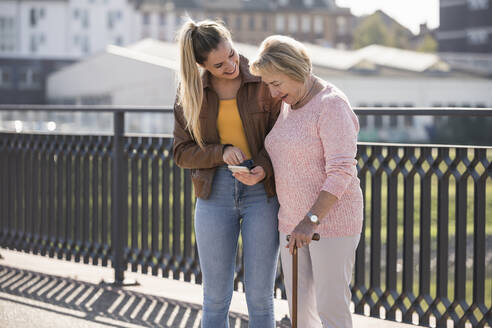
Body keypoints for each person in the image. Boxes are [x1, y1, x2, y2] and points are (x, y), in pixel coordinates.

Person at [172, 19, 281, 328]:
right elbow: (181, 152)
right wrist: (220, 152)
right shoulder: (191, 94)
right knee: (216, 296)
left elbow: (281, 137)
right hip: (213, 194)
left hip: (262, 193)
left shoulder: (263, 81)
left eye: (232, 55)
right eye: (219, 64)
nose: (231, 65)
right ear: (202, 65)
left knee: (260, 297)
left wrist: (262, 169)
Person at [250, 35, 364, 328]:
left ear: (296, 71)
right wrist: (261, 171)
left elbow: (341, 171)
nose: (273, 93)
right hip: (291, 224)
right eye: (268, 85)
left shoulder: (331, 105)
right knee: (301, 314)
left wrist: (310, 219)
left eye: (276, 84)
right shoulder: (290, 102)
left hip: (330, 224)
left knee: (331, 309)